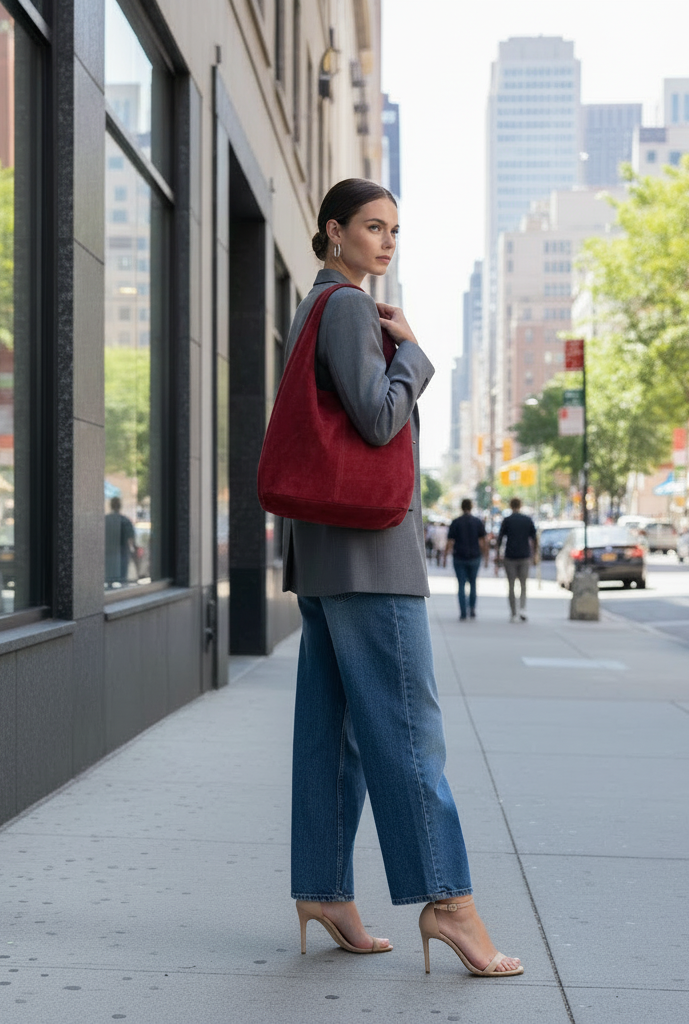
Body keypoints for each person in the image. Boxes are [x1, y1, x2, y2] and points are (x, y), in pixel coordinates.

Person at [281, 179, 521, 978]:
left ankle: (323, 889)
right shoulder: (347, 307)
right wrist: (415, 355)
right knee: (410, 732)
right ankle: (448, 902)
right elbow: (379, 419)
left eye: (394, 230)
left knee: (333, 732)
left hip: (324, 556)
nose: (386, 242)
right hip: (369, 559)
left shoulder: (310, 308)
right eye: (372, 227)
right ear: (333, 231)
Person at [446, 498, 489, 621]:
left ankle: (463, 612)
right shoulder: (477, 522)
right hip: (475, 557)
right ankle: (472, 609)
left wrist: (444, 556)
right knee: (473, 583)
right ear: (471, 507)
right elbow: (483, 541)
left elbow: (450, 541)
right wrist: (485, 557)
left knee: (461, 585)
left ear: (461, 507)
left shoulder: (456, 522)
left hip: (459, 557)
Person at [496, 498, 537, 622]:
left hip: (510, 556)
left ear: (510, 505)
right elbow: (534, 539)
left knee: (511, 585)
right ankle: (522, 609)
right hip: (524, 556)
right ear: (520, 505)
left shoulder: (507, 520)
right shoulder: (527, 520)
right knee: (523, 585)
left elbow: (500, 539)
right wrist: (534, 555)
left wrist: (498, 554)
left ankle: (514, 612)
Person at [104, 496, 136, 585]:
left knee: (108, 579)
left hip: (108, 553)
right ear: (120, 506)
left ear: (111, 506)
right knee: (122, 580)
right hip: (122, 553)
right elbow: (131, 539)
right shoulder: (125, 520)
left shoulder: (105, 520)